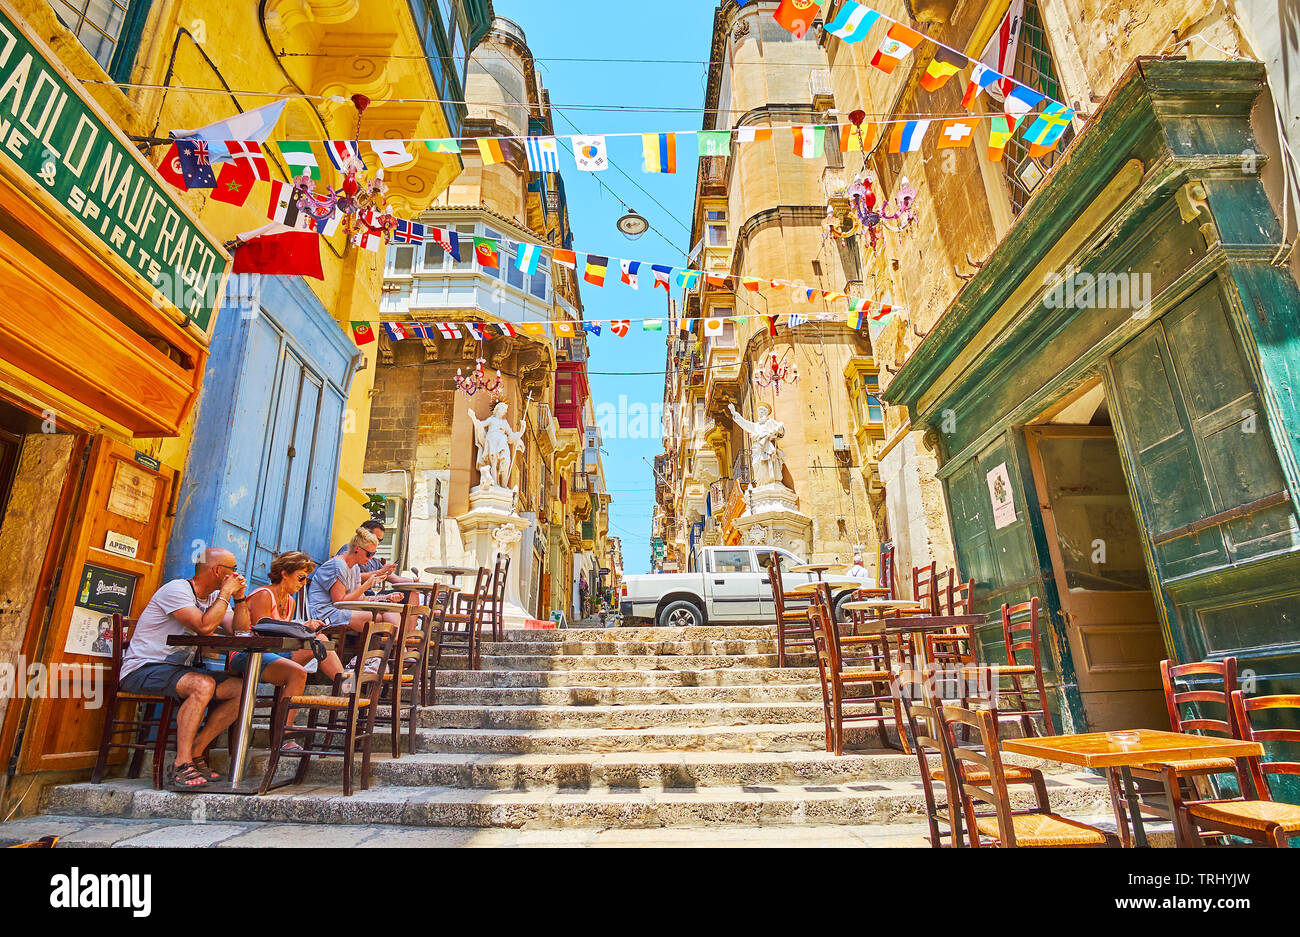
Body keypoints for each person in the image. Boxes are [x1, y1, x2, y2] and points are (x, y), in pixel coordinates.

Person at [118, 548, 248, 789]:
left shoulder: (214, 598)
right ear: (218, 571)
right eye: (234, 570)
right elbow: (204, 627)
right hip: (143, 669)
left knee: (241, 690)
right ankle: (181, 764)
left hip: (178, 671)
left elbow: (239, 631)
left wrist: (239, 598)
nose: (238, 575)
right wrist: (226, 594)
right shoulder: (177, 590)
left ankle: (196, 751)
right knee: (202, 684)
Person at [234, 551, 346, 745]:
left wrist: (303, 630)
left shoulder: (291, 601)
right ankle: (284, 734)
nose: (303, 583)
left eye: (306, 579)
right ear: (284, 573)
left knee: (319, 639)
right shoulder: (264, 595)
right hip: (250, 655)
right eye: (301, 578)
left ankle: (344, 687)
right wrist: (300, 629)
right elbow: (263, 629)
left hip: (272, 654)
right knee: (302, 667)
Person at [308, 527, 402, 634]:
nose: (370, 558)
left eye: (373, 554)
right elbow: (339, 602)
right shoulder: (338, 566)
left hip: (342, 609)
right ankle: (394, 647)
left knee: (390, 612)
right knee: (380, 619)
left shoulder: (355, 567)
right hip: (325, 613)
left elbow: (360, 598)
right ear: (357, 548)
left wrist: (385, 597)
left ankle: (396, 648)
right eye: (369, 554)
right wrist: (366, 585)